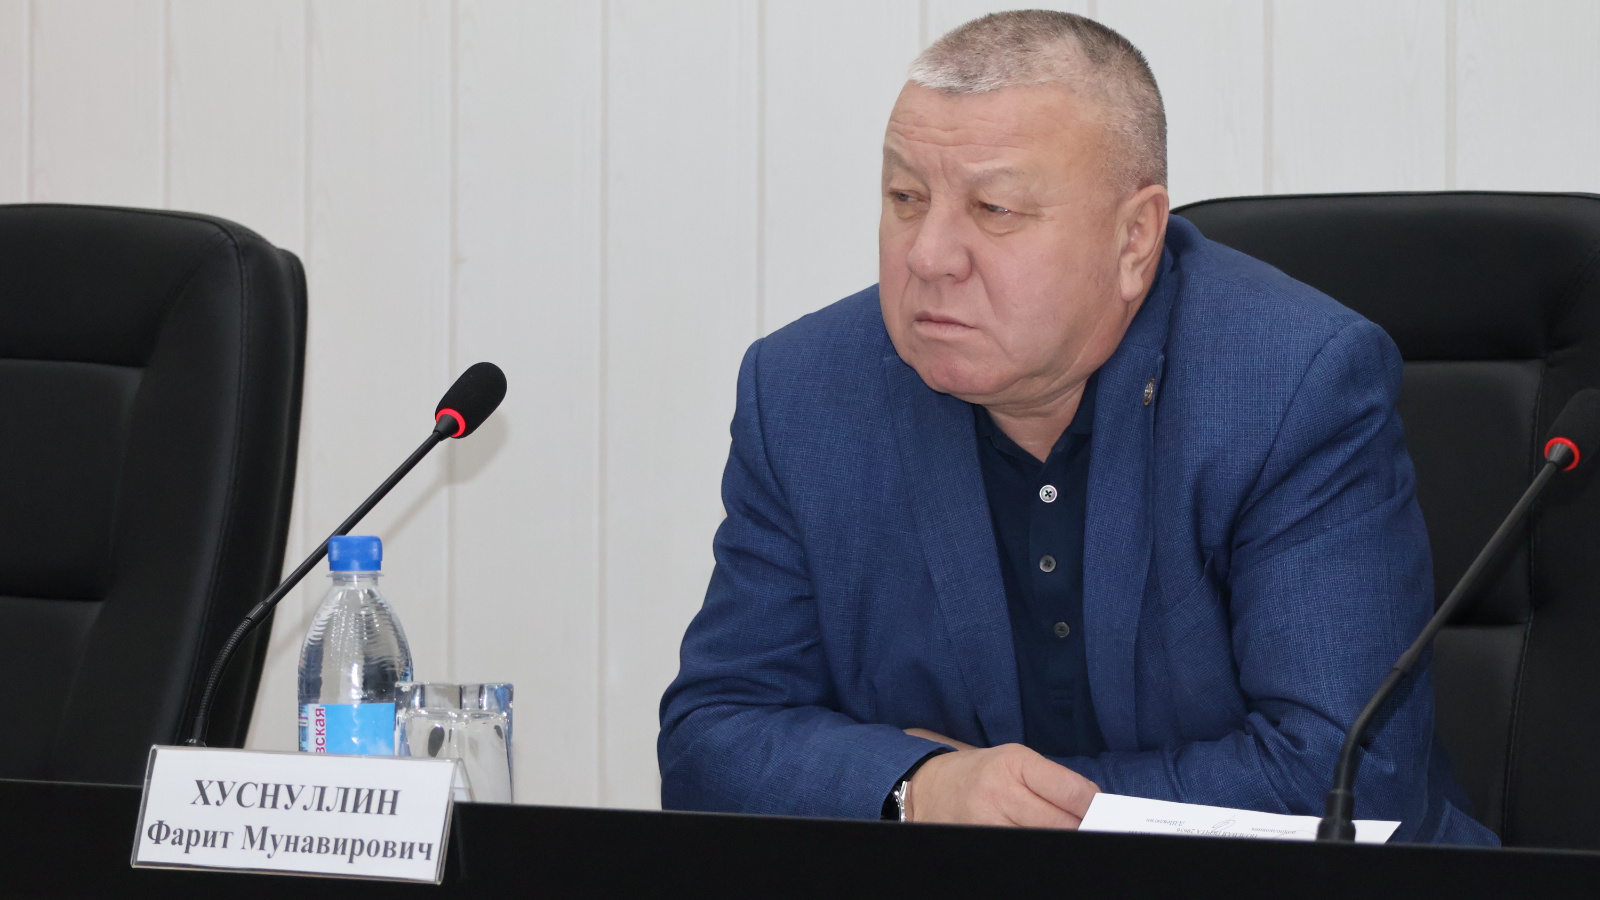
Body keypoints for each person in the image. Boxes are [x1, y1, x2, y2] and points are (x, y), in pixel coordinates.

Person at [657, 10, 1497, 845]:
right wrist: (923, 787)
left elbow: (1348, 778)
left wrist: (1007, 806)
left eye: (993, 208)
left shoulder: (1292, 388)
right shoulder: (803, 392)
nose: (928, 256)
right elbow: (711, 738)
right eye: (906, 198)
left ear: (1134, 240)